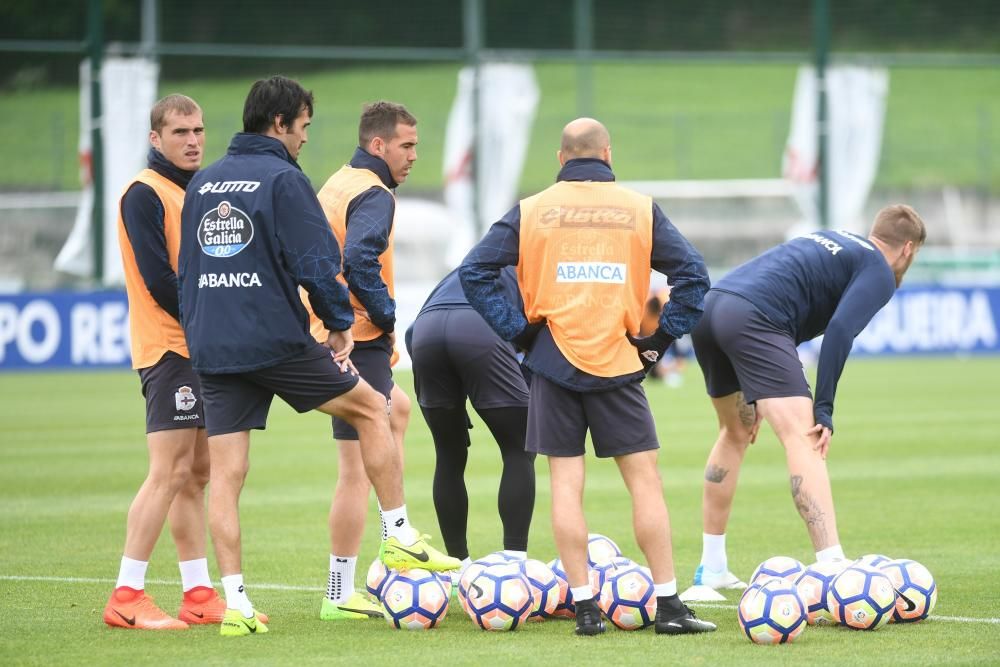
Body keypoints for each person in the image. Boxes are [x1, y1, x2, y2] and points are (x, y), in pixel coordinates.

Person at [177, 76, 458, 637]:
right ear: (280, 124)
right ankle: (399, 535)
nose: (305, 137)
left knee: (227, 477)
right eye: (303, 126)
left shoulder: (203, 182)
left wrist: (200, 331)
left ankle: (235, 604)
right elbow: (316, 261)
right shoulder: (284, 177)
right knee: (373, 409)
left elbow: (189, 270)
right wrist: (337, 326)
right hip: (277, 342)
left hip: (213, 342)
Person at [459, 117, 717, 637]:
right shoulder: (639, 207)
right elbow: (694, 276)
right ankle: (668, 605)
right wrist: (658, 343)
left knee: (565, 487)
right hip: (619, 361)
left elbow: (474, 271)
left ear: (561, 159)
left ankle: (583, 609)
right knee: (645, 483)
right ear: (607, 153)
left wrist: (520, 333)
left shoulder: (532, 209)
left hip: (552, 361)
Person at [689, 205, 926, 591]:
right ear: (908, 249)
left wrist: (757, 383)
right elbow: (839, 331)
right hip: (754, 317)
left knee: (734, 432)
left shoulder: (834, 238)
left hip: (713, 306)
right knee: (804, 436)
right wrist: (824, 409)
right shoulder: (879, 270)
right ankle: (832, 564)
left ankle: (712, 569)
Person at [104, 94, 233, 631]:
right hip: (169, 347)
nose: (194, 140)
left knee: (196, 474)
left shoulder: (198, 190)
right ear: (156, 139)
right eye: (181, 132)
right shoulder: (144, 193)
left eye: (199, 130)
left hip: (198, 347)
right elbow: (160, 279)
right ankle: (126, 594)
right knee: (170, 471)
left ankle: (199, 594)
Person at [304, 101, 419, 621]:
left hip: (336, 328)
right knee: (354, 469)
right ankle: (343, 587)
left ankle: (384, 547)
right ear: (379, 145)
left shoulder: (339, 180)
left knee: (398, 409)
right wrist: (386, 315)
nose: (414, 156)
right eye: (406, 146)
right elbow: (358, 260)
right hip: (356, 335)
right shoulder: (374, 193)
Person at [405, 266, 535, 577]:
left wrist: (450, 399)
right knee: (519, 450)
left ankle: (457, 568)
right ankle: (514, 565)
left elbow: (411, 332)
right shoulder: (537, 269)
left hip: (425, 333)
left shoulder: (468, 266)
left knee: (449, 456)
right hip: (478, 329)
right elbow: (541, 342)